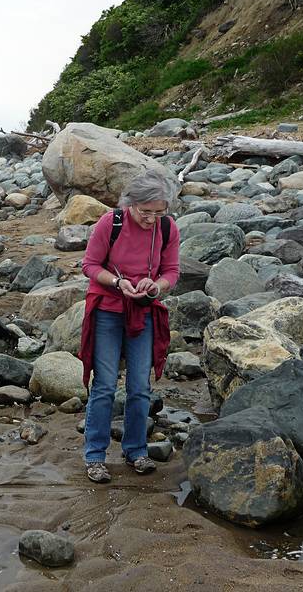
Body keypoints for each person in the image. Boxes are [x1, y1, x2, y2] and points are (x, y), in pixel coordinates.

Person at [78, 170, 181, 484]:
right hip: (108, 310)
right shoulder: (111, 223)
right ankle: (95, 456)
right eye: (145, 212)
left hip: (143, 311)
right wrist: (119, 282)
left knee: (139, 387)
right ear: (130, 204)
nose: (151, 219)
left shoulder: (167, 227)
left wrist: (156, 288)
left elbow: (172, 271)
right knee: (105, 385)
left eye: (158, 212)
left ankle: (136, 450)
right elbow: (89, 265)